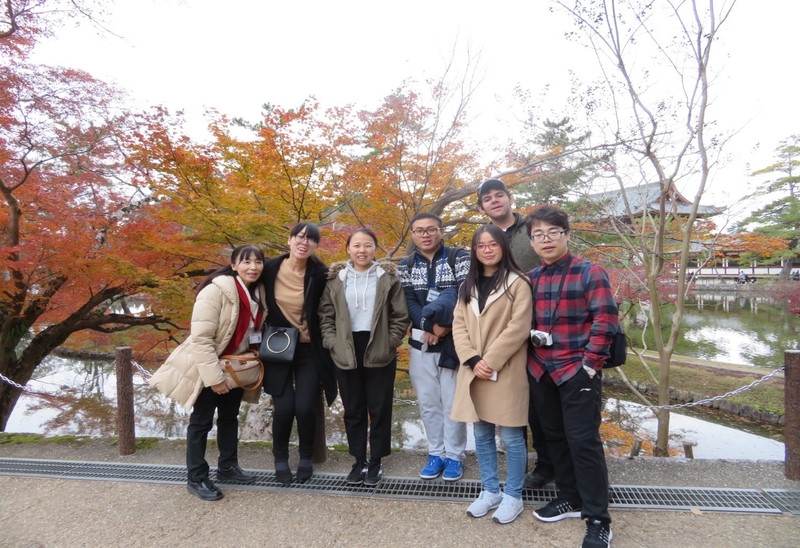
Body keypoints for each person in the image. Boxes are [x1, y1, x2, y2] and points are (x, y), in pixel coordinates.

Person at [525, 206, 618, 548]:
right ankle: (569, 497)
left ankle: (598, 518)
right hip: (540, 370)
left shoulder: (589, 272)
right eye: (538, 235)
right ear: (532, 241)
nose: (545, 240)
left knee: (584, 442)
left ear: (566, 234)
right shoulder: (531, 278)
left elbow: (605, 320)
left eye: (552, 233)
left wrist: (590, 365)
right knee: (554, 438)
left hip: (576, 370)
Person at [149, 245, 267, 501]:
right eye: (246, 262)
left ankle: (228, 467)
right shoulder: (216, 291)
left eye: (258, 262)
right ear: (234, 265)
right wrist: (214, 379)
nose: (253, 267)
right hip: (208, 366)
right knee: (201, 422)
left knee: (229, 417)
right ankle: (197, 477)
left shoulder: (258, 292)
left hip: (234, 366)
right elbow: (202, 340)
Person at [451, 225, 532, 524]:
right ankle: (489, 491)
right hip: (474, 370)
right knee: (482, 433)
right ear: (474, 251)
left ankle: (513, 495)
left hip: (506, 369)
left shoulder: (518, 282)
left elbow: (519, 327)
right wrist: (472, 359)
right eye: (481, 246)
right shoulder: (466, 286)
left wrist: (491, 360)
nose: (487, 250)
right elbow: (458, 326)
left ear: (503, 247)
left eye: (492, 244)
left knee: (511, 435)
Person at [477, 178, 553, 490]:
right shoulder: (485, 237)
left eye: (499, 196)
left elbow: (553, 261)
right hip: (498, 332)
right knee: (510, 404)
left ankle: (547, 463)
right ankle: (513, 472)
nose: (494, 201)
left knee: (539, 404)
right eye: (487, 199)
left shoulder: (532, 228)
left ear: (510, 198)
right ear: (482, 206)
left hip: (538, 326)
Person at [319, 228, 410, 486]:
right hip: (345, 347)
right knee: (354, 408)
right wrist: (331, 342)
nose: (362, 250)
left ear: (375, 248)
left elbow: (400, 316)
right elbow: (325, 316)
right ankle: (359, 460)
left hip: (378, 346)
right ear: (348, 248)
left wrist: (391, 342)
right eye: (357, 245)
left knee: (380, 408)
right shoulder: (336, 280)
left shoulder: (388, 279)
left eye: (368, 245)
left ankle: (377, 461)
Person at [260, 222, 338, 485]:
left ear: (316, 245)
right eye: (300, 237)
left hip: (308, 349)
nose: (304, 243)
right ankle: (279, 459)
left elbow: (332, 306)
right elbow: (243, 280)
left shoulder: (320, 274)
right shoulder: (269, 268)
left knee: (305, 407)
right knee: (283, 409)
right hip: (277, 347)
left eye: (311, 240)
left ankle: (306, 458)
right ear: (290, 239)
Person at [397, 212, 469, 481]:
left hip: (454, 342)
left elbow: (467, 293)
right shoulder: (405, 264)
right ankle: (436, 452)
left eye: (431, 229)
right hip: (420, 341)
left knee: (452, 403)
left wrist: (445, 328)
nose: (425, 234)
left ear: (441, 231)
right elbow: (409, 301)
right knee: (427, 402)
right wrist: (429, 326)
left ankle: (454, 456)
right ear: (413, 235)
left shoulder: (458, 257)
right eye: (419, 230)